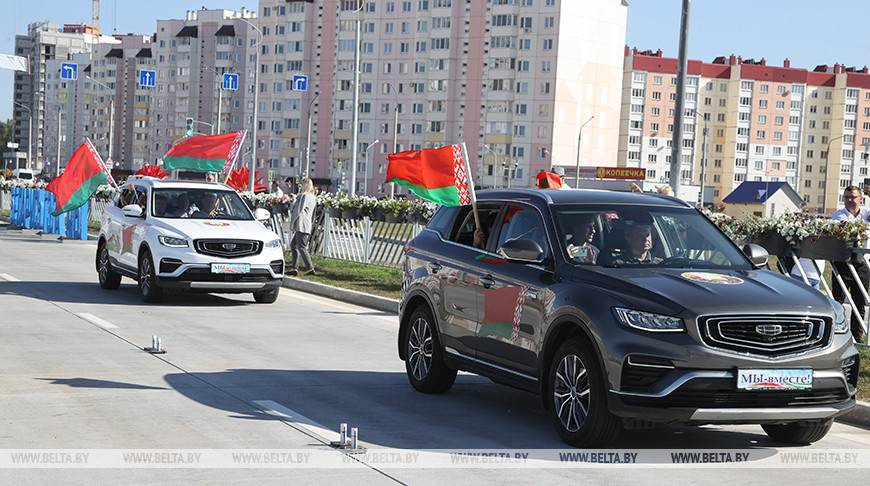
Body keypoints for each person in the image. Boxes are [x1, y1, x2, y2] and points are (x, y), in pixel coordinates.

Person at [831, 185, 870, 340]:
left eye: (853, 197)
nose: (849, 200)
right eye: (846, 197)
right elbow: (851, 230)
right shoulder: (838, 214)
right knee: (838, 301)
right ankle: (836, 334)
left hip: (863, 264)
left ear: (861, 199)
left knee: (859, 302)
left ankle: (856, 337)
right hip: (843, 263)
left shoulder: (866, 212)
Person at [288, 177, 317, 276]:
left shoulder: (304, 196)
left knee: (301, 247)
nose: (300, 187)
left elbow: (299, 209)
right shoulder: (312, 197)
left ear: (305, 185)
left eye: (301, 185)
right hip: (306, 224)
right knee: (294, 245)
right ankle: (294, 268)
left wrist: (295, 200)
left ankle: (310, 268)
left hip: (302, 225)